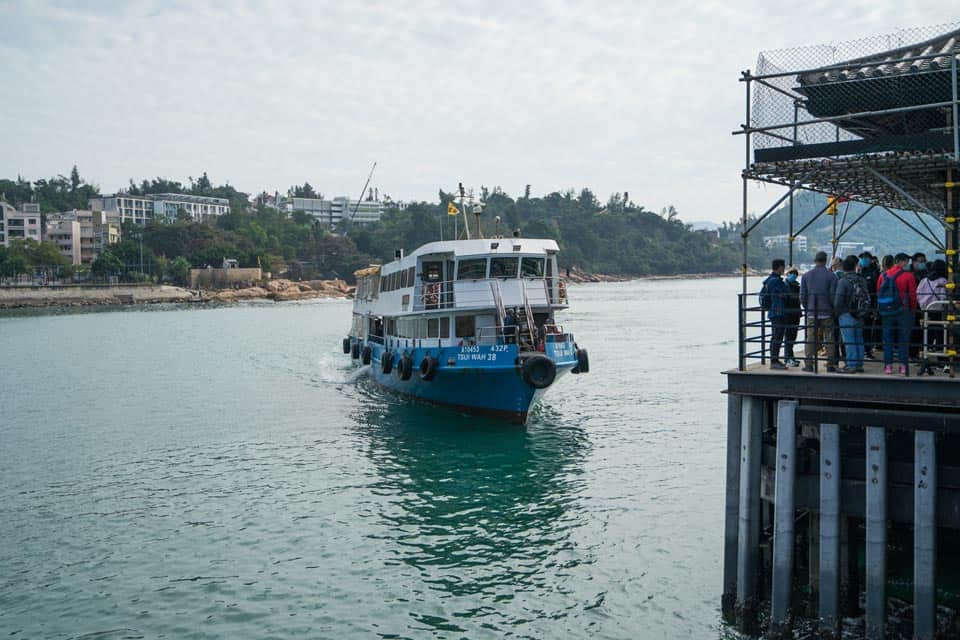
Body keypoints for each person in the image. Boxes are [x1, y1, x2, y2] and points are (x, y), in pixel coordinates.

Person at [877, 252, 918, 375]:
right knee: (903, 339)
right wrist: (913, 310)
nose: (908, 264)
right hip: (903, 312)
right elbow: (912, 296)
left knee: (888, 339)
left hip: (886, 312)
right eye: (907, 261)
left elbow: (878, 293)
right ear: (903, 261)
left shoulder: (883, 275)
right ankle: (903, 366)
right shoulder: (908, 276)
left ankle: (888, 366)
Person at [801, 251, 838, 372]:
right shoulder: (831, 276)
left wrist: (808, 308)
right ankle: (830, 364)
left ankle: (809, 364)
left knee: (810, 337)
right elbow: (834, 296)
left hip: (812, 311)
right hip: (827, 311)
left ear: (815, 260)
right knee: (829, 337)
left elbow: (803, 296)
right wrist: (832, 308)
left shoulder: (806, 276)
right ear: (825, 260)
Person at [834, 255, 868, 373]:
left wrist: (837, 313)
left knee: (849, 341)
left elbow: (838, 301)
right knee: (859, 339)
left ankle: (851, 365)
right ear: (855, 266)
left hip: (846, 314)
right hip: (860, 313)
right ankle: (859, 364)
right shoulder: (862, 280)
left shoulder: (843, 281)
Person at [918, 259, 948, 369]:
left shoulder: (924, 280)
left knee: (927, 334)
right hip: (939, 311)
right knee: (940, 334)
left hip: (926, 310)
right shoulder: (943, 281)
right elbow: (944, 297)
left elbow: (918, 294)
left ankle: (924, 358)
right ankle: (941, 360)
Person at [761, 259, 789, 369]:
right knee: (777, 336)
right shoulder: (776, 281)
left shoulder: (768, 280)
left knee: (775, 336)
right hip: (778, 311)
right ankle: (774, 361)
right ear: (780, 267)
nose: (784, 269)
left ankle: (774, 359)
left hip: (773, 311)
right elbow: (786, 293)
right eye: (783, 267)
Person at [858, 251, 880, 359]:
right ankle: (861, 350)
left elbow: (876, 290)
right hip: (859, 306)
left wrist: (875, 307)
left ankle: (867, 350)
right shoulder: (859, 272)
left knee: (867, 329)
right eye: (862, 258)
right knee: (860, 329)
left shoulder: (874, 272)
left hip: (870, 305)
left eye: (866, 258)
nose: (864, 260)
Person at [783, 267, 802, 366]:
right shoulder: (785, 285)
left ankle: (791, 356)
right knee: (788, 337)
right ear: (787, 274)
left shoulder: (797, 286)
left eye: (795, 274)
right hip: (788, 314)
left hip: (796, 313)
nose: (793, 276)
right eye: (792, 274)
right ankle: (787, 358)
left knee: (793, 336)